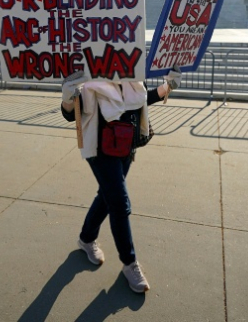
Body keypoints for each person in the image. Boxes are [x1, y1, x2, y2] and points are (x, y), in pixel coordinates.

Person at [60, 66, 182, 294]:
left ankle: (86, 238)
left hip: (126, 145)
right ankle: (130, 263)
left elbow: (146, 98)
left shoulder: (131, 71)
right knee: (119, 204)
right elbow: (70, 113)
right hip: (98, 149)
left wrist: (169, 86)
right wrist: (68, 95)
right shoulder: (89, 73)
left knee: (107, 197)